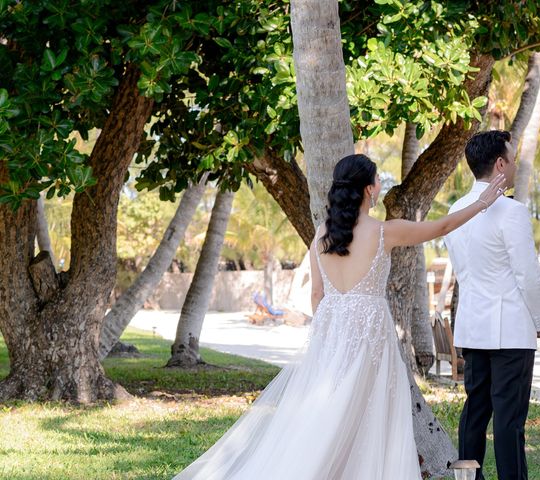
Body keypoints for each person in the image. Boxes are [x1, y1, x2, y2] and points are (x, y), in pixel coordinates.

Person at [173, 153, 506, 480]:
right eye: (377, 179)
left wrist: (331, 330)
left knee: (331, 408)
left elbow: (317, 293)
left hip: (333, 330)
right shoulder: (383, 232)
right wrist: (483, 203)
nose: (379, 184)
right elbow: (442, 226)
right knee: (371, 412)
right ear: (368, 189)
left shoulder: (321, 234)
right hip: (372, 332)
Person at [444, 131, 540, 480]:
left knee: (474, 412)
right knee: (509, 420)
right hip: (511, 330)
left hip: (473, 327)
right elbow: (528, 275)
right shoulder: (513, 211)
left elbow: (463, 268)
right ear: (501, 164)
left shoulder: (455, 209)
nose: (517, 164)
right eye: (513, 157)